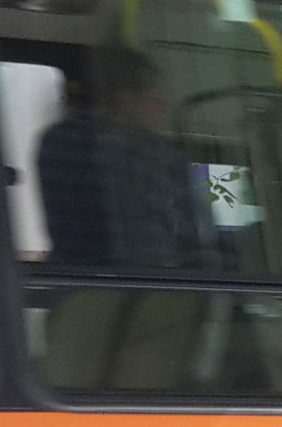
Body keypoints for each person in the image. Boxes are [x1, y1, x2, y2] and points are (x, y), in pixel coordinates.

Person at [37, 43, 206, 270]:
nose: (162, 106)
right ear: (126, 99)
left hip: (73, 280)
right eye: (154, 95)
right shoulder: (140, 152)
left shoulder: (57, 139)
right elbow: (169, 239)